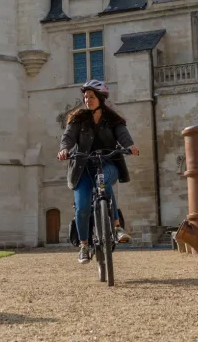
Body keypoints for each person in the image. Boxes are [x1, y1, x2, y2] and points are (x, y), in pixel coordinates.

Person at [58, 79, 139, 264]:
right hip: (82, 167)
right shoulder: (78, 118)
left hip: (107, 163)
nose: (87, 100)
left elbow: (123, 135)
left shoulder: (113, 120)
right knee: (82, 207)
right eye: (85, 97)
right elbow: (68, 137)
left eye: (91, 97)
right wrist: (64, 149)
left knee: (102, 181)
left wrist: (130, 146)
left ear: (101, 98)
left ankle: (117, 227)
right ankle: (84, 245)